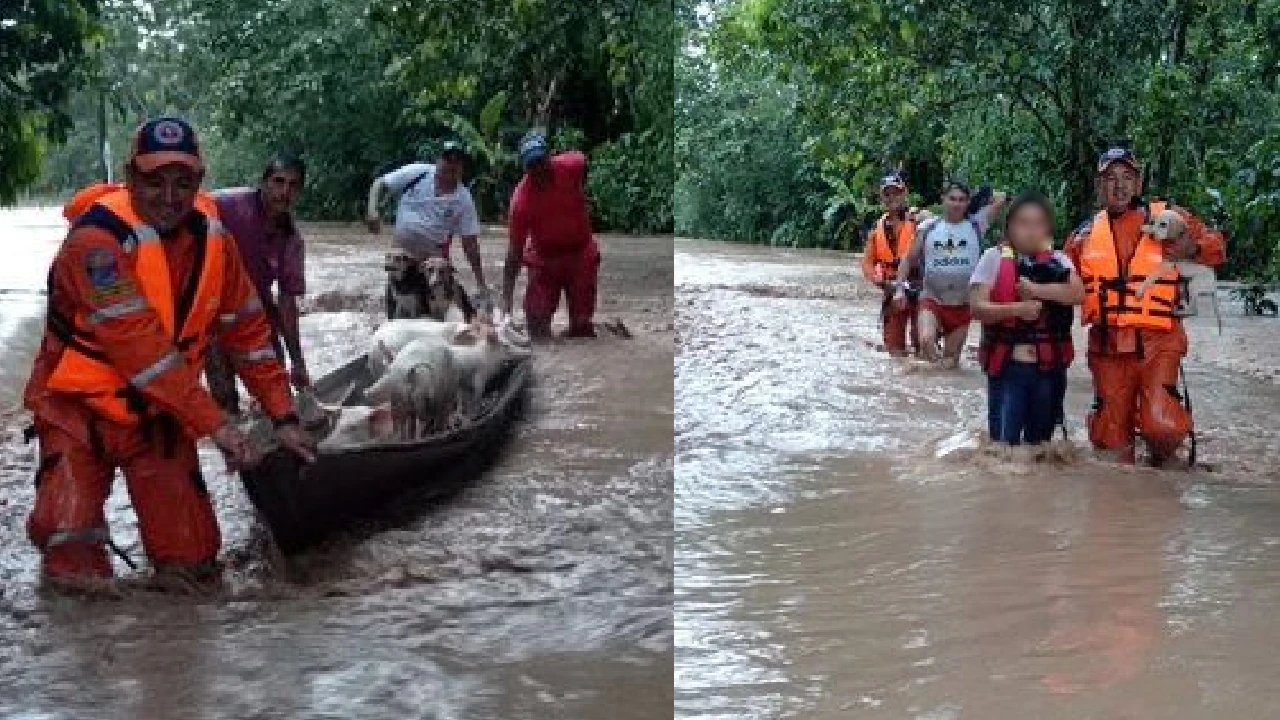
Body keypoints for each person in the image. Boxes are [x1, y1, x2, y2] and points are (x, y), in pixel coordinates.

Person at [22, 116, 315, 593]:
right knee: (72, 565)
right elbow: (141, 352)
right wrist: (219, 426)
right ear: (130, 176)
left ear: (200, 181)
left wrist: (283, 416)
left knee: (194, 567)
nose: (169, 195)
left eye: (183, 182)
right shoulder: (96, 243)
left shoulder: (215, 242)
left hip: (157, 417)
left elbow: (249, 334)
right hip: (79, 415)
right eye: (154, 181)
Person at [1064, 147, 1226, 464]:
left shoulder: (1170, 219)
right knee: (1110, 448)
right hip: (1107, 345)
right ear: (1099, 187)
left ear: (1138, 184)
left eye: (1127, 177)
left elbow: (1216, 248)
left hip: (1158, 341)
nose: (1119, 186)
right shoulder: (1082, 236)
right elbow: (1059, 283)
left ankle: (1165, 462)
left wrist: (1190, 248)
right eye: (1110, 178)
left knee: (1161, 426)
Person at [970, 191, 1084, 444]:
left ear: (1048, 228)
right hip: (1009, 369)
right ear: (1009, 227)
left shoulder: (1060, 260)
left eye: (1038, 223)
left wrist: (1036, 291)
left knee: (1040, 448)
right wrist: (1016, 310)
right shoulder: (993, 258)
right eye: (1023, 223)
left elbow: (1077, 294)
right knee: (1003, 447)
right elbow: (976, 308)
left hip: (1049, 370)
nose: (1031, 231)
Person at [205, 154, 310, 416]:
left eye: (293, 185)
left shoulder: (292, 241)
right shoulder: (226, 204)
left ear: (299, 192)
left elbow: (287, 304)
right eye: (278, 182)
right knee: (225, 405)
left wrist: (298, 362)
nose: (284, 192)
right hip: (212, 316)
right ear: (263, 183)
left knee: (278, 398)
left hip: (257, 316)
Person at [365, 141, 488, 313]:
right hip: (400, 261)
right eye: (447, 159)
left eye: (457, 162)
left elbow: (470, 245)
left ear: (462, 168)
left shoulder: (463, 199)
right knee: (395, 312)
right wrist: (372, 210)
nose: (451, 165)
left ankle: (471, 320)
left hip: (433, 266)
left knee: (432, 314)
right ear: (438, 160)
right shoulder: (419, 172)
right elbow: (379, 183)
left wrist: (480, 282)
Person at [501, 131, 600, 338]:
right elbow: (514, 254)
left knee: (582, 328)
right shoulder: (521, 202)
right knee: (536, 331)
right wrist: (506, 301)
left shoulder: (572, 165)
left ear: (549, 157)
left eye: (540, 161)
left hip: (580, 252)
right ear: (525, 168)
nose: (538, 169)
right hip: (544, 259)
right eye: (531, 165)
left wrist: (583, 192)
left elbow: (584, 162)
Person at [898, 181, 1007, 366]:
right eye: (952, 199)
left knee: (949, 363)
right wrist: (899, 289)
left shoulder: (977, 223)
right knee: (925, 341)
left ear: (967, 202)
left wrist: (978, 198)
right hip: (932, 298)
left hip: (963, 304)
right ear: (943, 199)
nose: (956, 204)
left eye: (962, 200)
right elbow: (908, 259)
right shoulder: (928, 226)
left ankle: (936, 390)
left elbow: (1001, 197)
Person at [861, 173, 919, 356]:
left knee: (923, 343)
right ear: (882, 198)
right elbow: (867, 263)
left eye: (896, 193)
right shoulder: (875, 229)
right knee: (894, 351)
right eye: (887, 194)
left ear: (904, 194)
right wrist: (875, 278)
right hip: (892, 291)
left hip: (919, 288)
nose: (892, 197)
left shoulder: (918, 220)